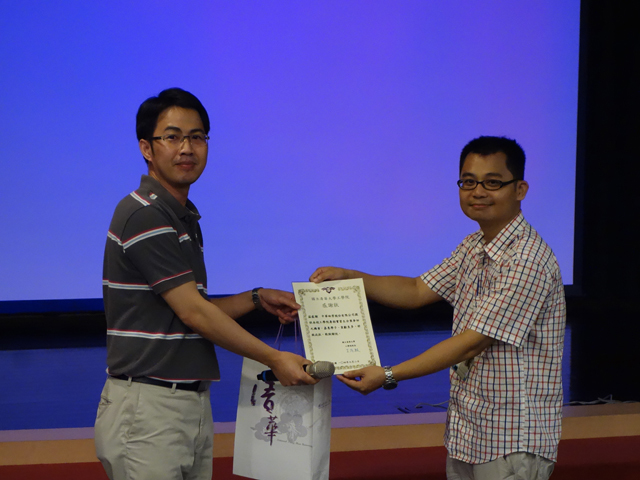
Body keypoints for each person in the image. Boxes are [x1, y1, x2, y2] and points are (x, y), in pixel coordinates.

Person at [310, 136, 565, 480]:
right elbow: (415, 290)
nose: (478, 192)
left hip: (512, 439)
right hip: (471, 432)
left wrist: (389, 374)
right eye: (468, 181)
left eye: (492, 182)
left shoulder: (528, 259)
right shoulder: (473, 246)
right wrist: (351, 277)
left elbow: (473, 341)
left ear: (520, 189)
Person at [95, 87, 316, 480]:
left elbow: (191, 307)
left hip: (187, 402)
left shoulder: (181, 217)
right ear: (147, 148)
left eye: (197, 137)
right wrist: (275, 358)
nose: (187, 148)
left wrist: (255, 298)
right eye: (173, 136)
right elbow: (194, 313)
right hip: (150, 407)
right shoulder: (144, 215)